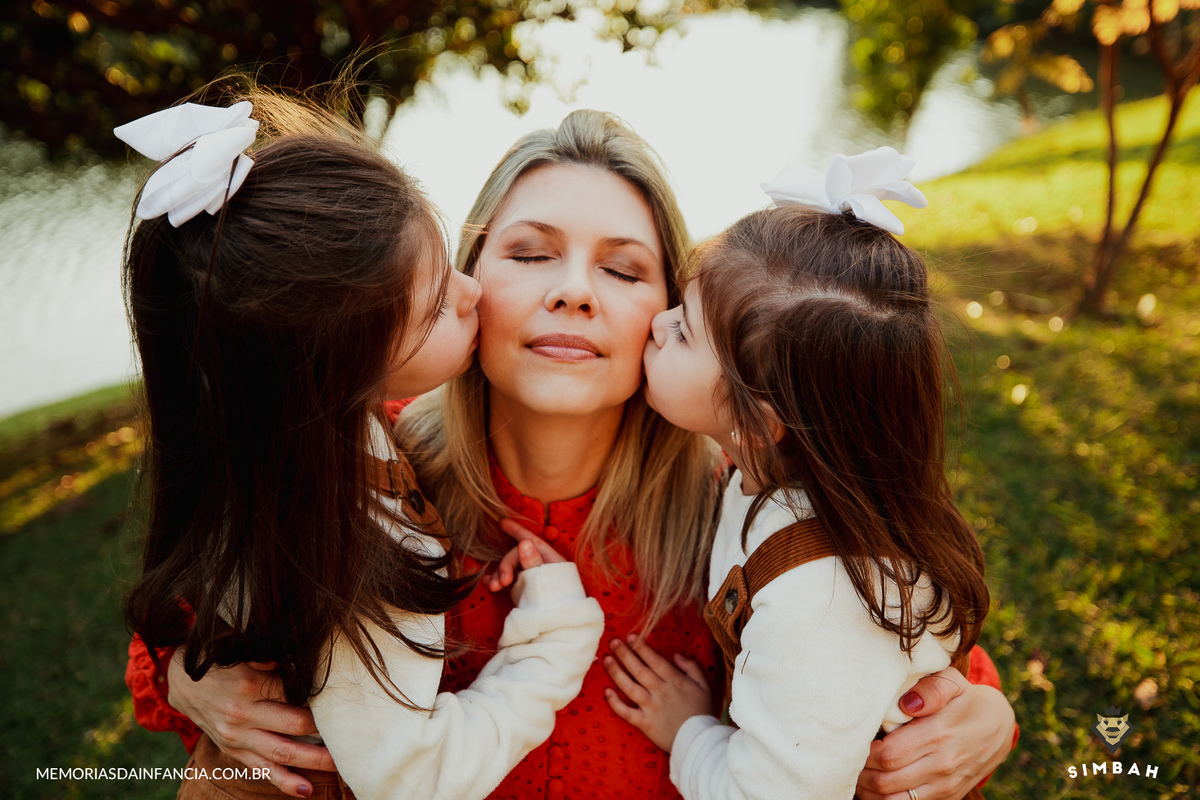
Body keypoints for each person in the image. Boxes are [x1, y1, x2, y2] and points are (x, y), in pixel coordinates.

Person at [127, 111, 1018, 800]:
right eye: (529, 253)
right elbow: (189, 599)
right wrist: (188, 678)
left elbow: (901, 649)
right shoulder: (352, 467)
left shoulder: (750, 504)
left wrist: (987, 716)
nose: (573, 294)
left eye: (625, 271)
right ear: (457, 285)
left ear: (690, 325)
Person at [119, 91, 605, 800]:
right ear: (335, 369)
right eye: (436, 301)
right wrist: (553, 642)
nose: (471, 292)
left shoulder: (281, 444)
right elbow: (411, 776)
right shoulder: (345, 551)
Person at [599, 148, 992, 800]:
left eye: (687, 332)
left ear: (759, 422)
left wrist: (689, 730)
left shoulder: (824, 602)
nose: (658, 322)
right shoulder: (769, 476)